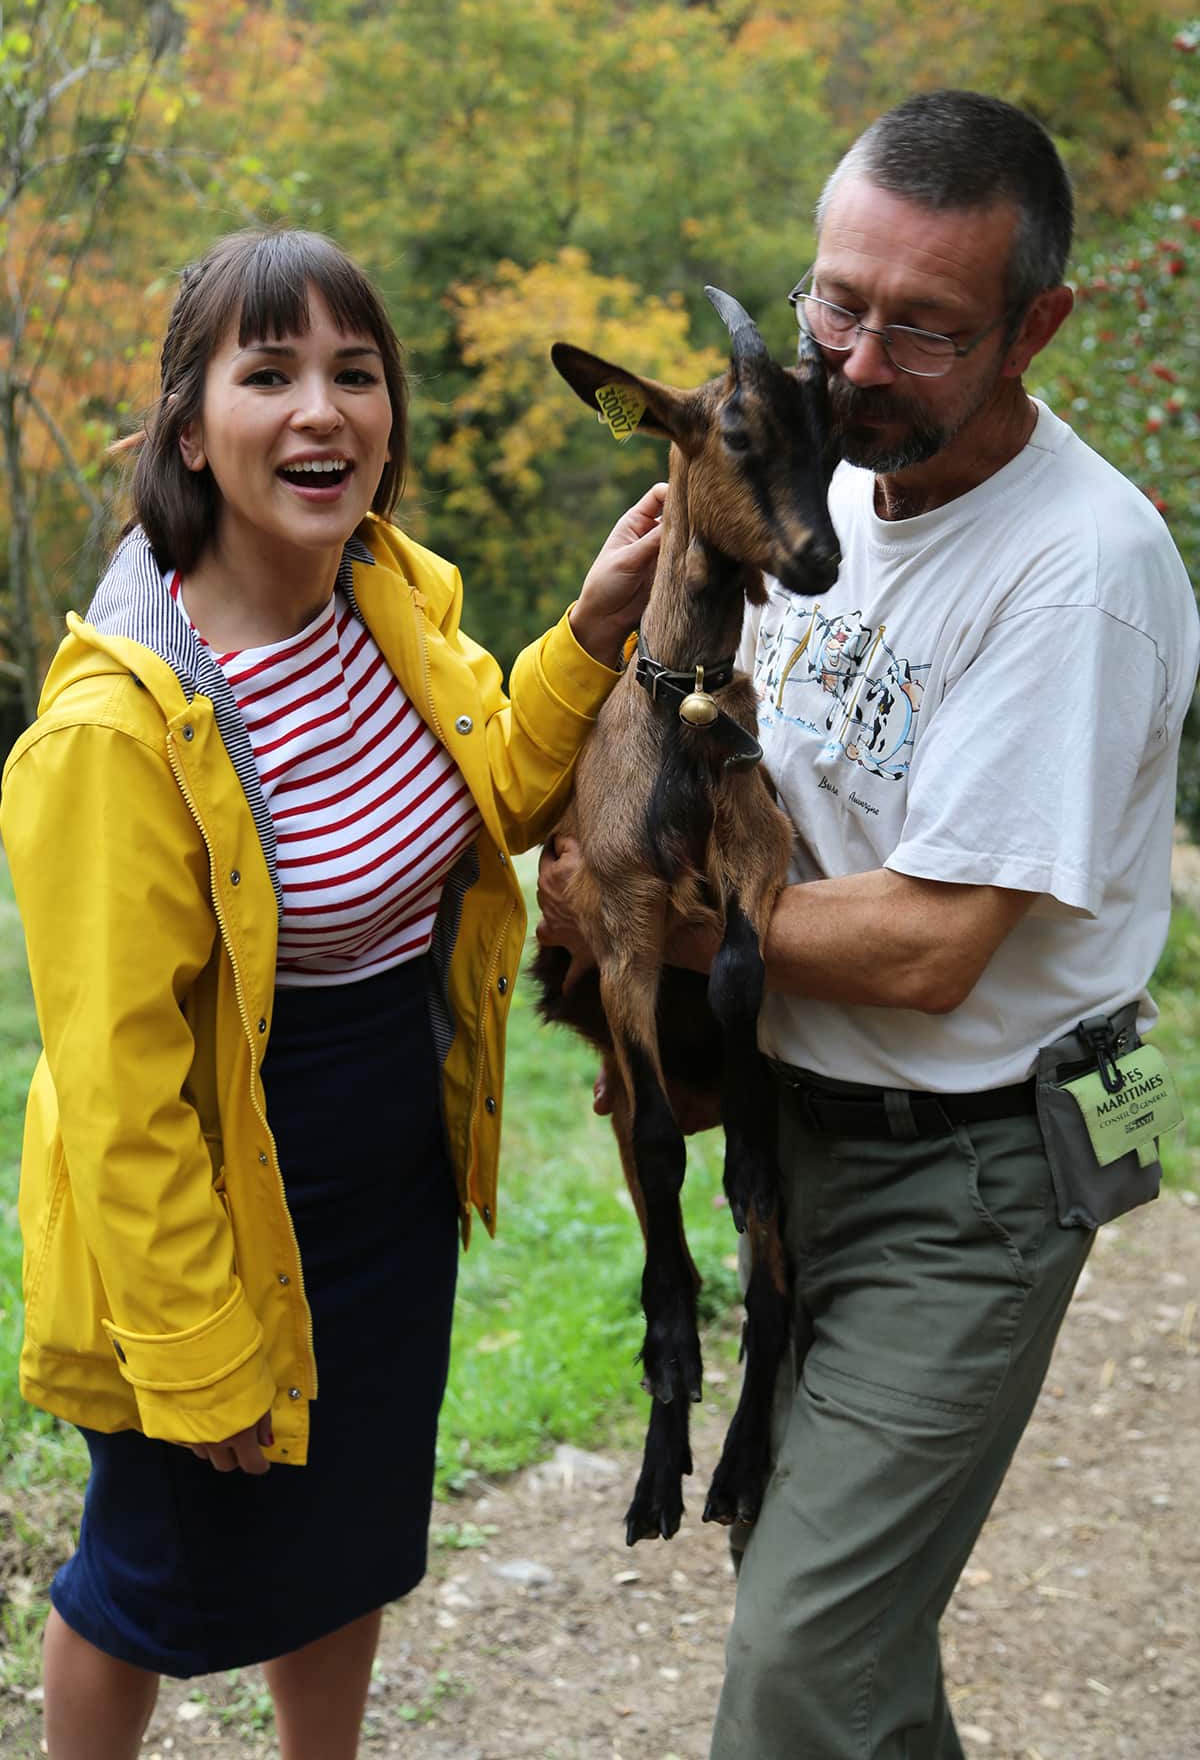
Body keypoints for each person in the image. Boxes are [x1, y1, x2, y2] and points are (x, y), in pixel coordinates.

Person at [536, 91, 1200, 1758]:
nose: (857, 359)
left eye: (924, 328)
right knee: (837, 1628)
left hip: (963, 1174)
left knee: (798, 1673)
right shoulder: (835, 492)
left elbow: (925, 948)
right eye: (840, 302)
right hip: (795, 1133)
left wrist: (636, 929)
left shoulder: (1077, 570)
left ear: (1037, 326)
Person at [0, 226, 665, 1760]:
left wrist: (592, 623)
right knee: (144, 1577)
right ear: (189, 424)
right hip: (216, 1185)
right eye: (270, 373)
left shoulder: (383, 588)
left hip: (387, 1155)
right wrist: (195, 1349)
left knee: (354, 1531)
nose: (323, 411)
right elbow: (121, 1094)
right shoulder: (122, 719)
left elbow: (491, 788)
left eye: (354, 375)